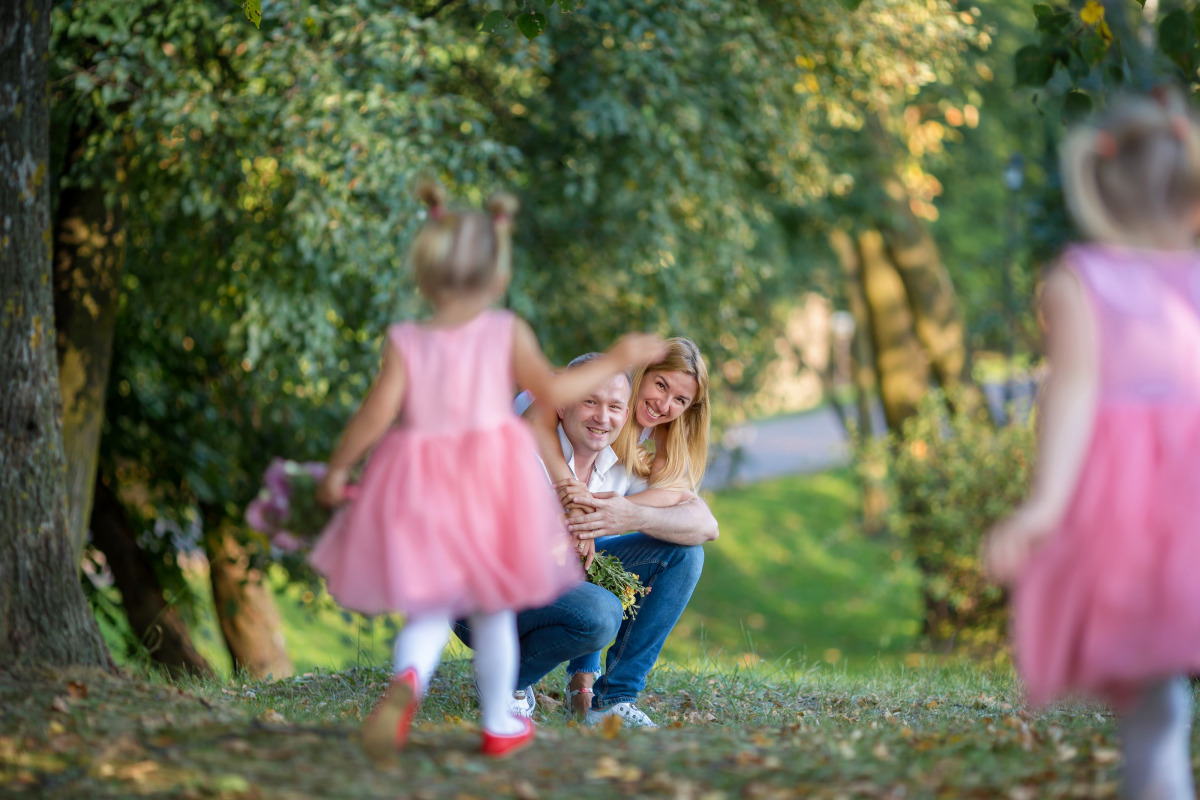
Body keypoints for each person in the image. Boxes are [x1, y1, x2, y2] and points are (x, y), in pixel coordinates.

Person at [308, 179, 665, 761]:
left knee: (429, 604)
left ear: (424, 275)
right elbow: (553, 390)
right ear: (498, 278)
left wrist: (337, 469)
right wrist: (622, 358)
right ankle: (499, 719)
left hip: (422, 482)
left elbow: (376, 414)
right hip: (487, 484)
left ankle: (407, 685)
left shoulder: (406, 339)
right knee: (495, 606)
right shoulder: (505, 332)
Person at [983, 91, 1200, 800]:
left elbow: (1071, 395)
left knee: (1153, 699)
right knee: (1158, 696)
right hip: (1181, 506)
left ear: (1098, 193)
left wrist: (1045, 507)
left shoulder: (1079, 279)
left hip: (1135, 515)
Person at [532, 337, 718, 727]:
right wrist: (576, 498)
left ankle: (612, 696)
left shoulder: (653, 443)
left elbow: (705, 523)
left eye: (680, 401)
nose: (665, 405)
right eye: (661, 385)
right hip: (515, 553)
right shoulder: (582, 396)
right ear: (640, 375)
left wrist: (630, 515)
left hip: (571, 556)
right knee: (593, 530)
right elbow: (537, 419)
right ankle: (566, 677)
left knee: (683, 552)